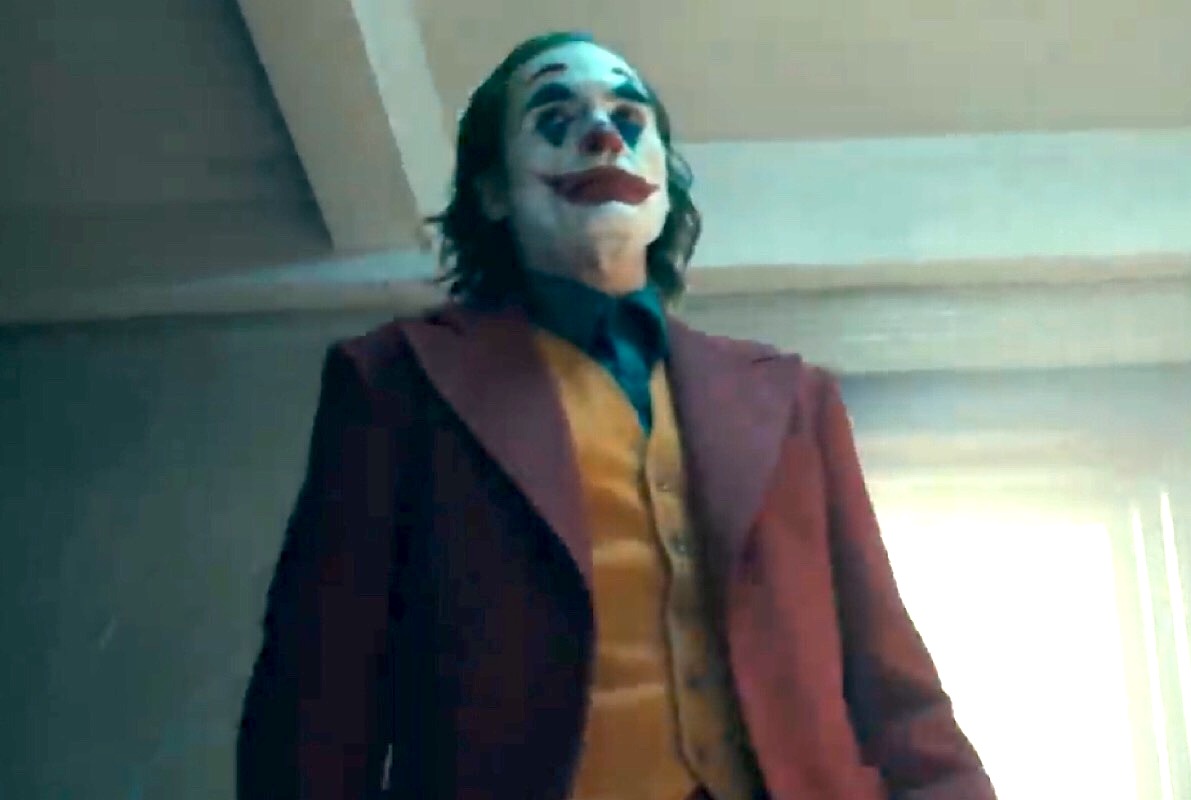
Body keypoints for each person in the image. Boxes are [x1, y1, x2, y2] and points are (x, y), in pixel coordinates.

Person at [237, 30, 996, 800]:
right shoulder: (396, 382)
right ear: (493, 191)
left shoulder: (795, 398)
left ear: (662, 183)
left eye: (630, 119)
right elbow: (317, 702)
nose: (604, 135)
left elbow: (894, 681)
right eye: (555, 117)